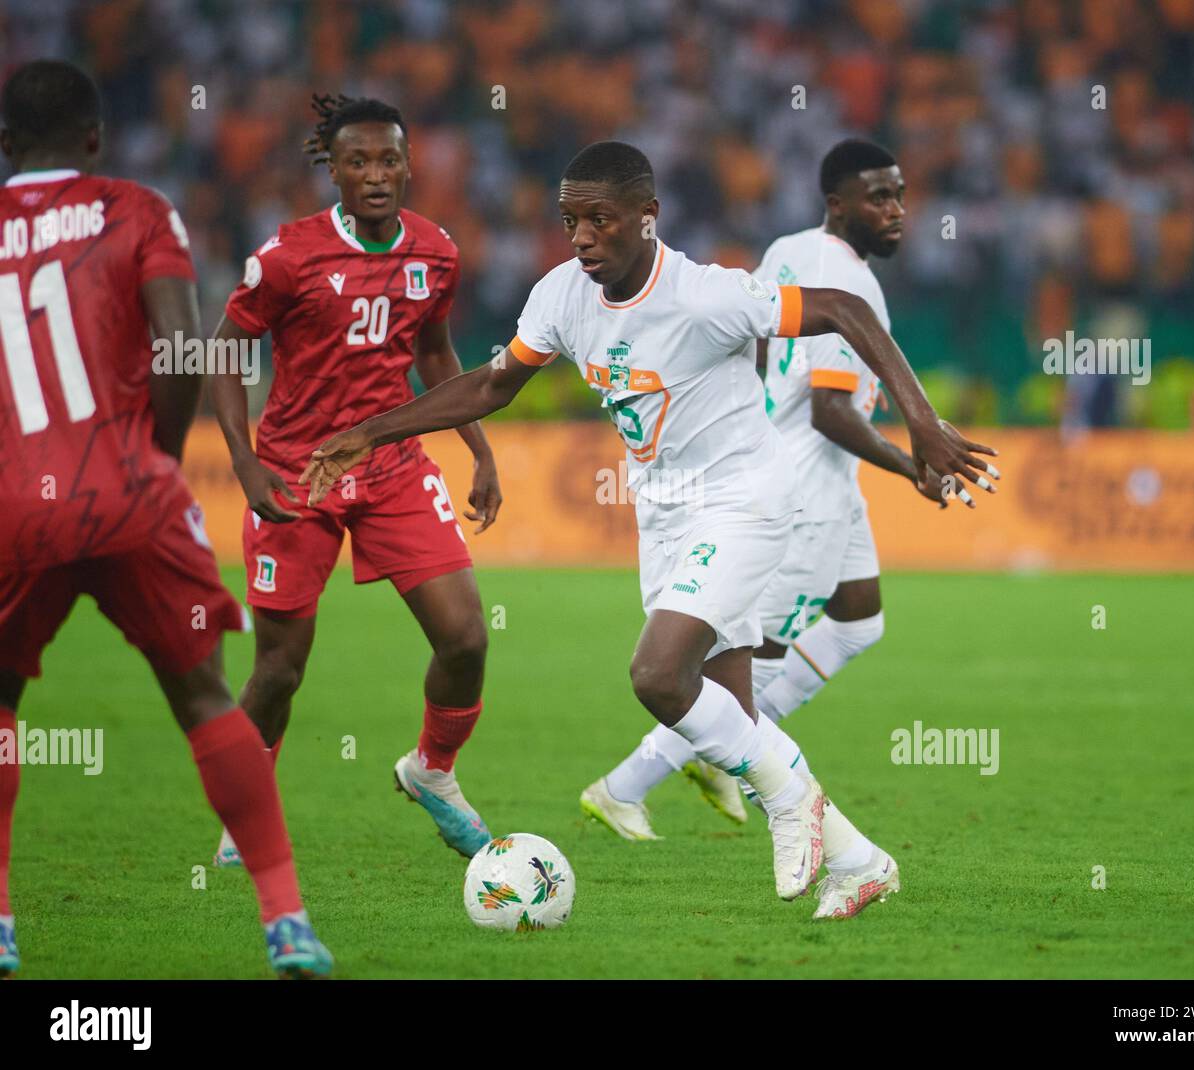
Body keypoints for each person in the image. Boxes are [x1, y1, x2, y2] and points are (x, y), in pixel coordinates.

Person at [300, 141, 998, 917]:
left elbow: (847, 309)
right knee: (731, 723)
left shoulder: (706, 296)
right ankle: (861, 862)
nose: (583, 237)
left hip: (746, 500)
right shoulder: (563, 295)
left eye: (601, 219)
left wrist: (923, 422)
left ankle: (792, 801)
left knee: (657, 676)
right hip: (664, 515)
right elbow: (495, 384)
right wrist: (375, 429)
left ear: (647, 217)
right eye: (571, 221)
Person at [0, 59, 331, 977]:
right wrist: (154, 455)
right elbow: (182, 344)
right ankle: (285, 919)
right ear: (97, 139)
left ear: (6, 147)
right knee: (205, 697)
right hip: (129, 490)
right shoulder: (136, 209)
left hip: (11, 504)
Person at [584, 141, 987, 869]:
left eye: (900, 195)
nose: (896, 211)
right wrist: (910, 460)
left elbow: (764, 352)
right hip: (802, 490)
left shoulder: (789, 249)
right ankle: (628, 783)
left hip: (824, 481)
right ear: (838, 204)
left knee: (859, 621)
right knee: (744, 662)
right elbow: (831, 409)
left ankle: (717, 753)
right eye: (879, 198)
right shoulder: (846, 279)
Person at [207, 94, 502, 865]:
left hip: (394, 467)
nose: (376, 174)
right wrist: (244, 461)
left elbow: (435, 358)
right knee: (279, 670)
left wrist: (479, 448)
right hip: (296, 476)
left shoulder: (436, 251)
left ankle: (432, 771)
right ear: (332, 171)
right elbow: (224, 351)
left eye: (389, 160)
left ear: (410, 165)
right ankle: (248, 814)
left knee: (467, 637)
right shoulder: (288, 256)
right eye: (358, 162)